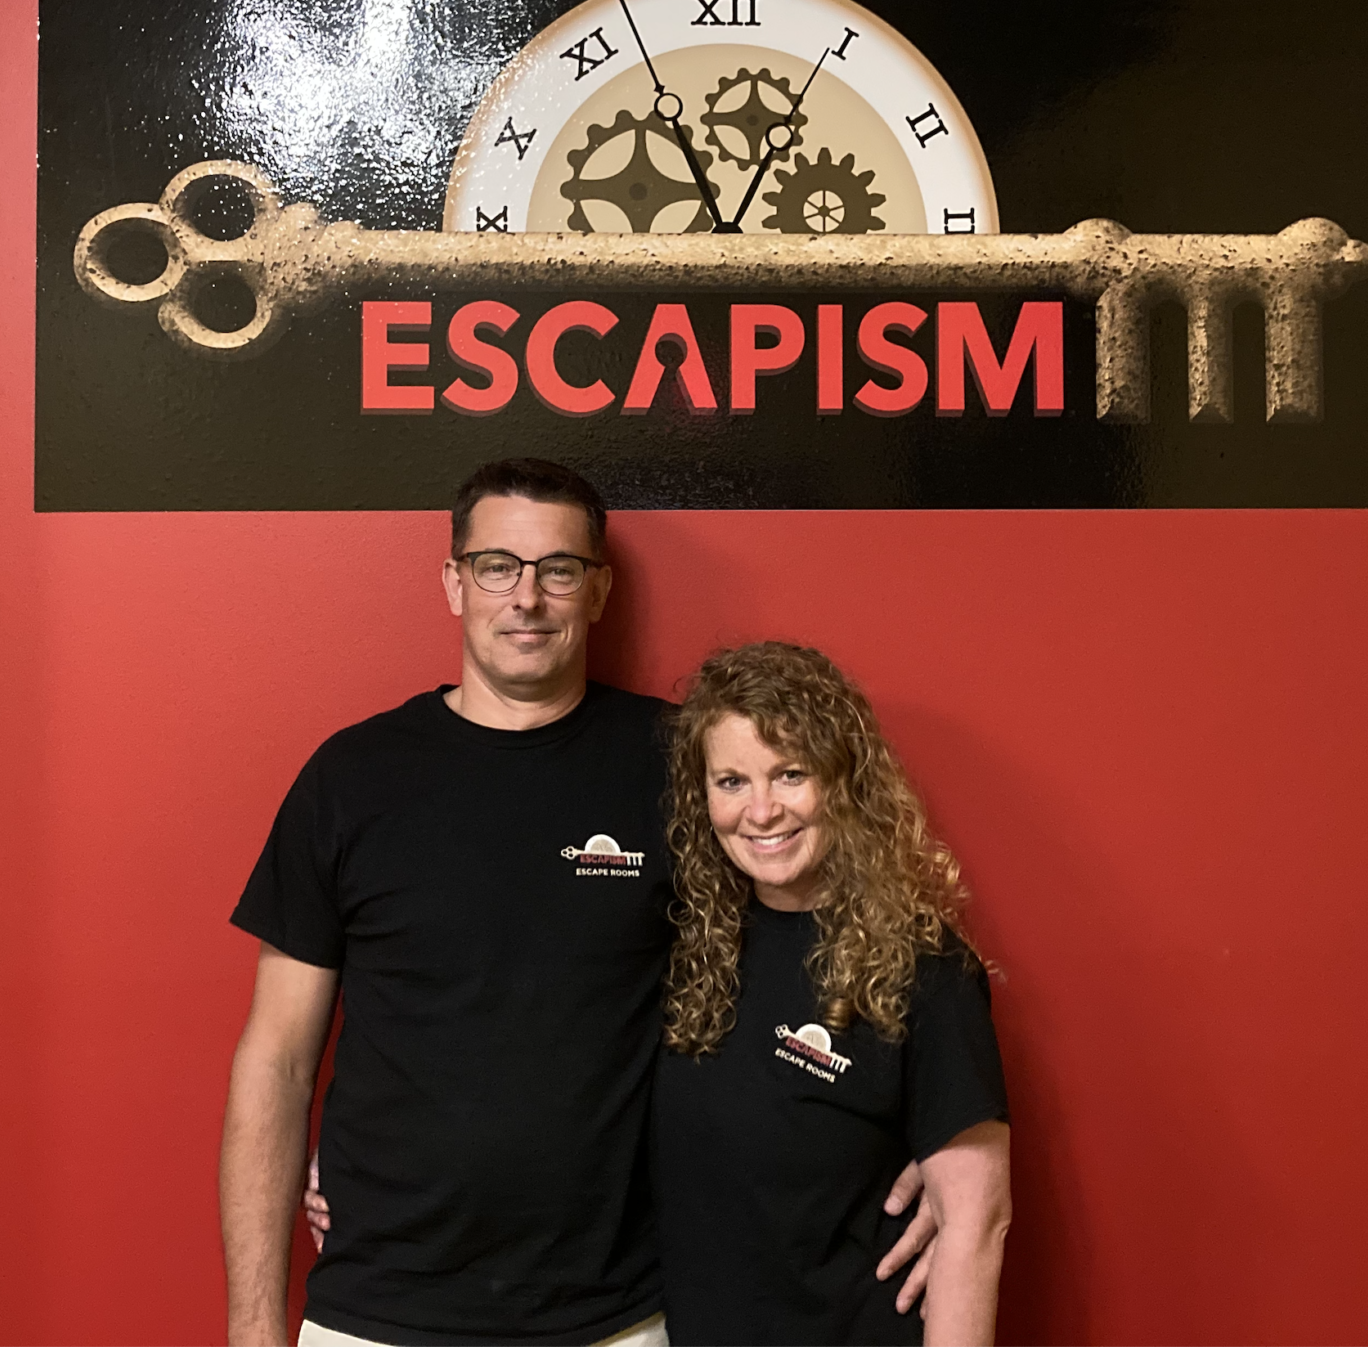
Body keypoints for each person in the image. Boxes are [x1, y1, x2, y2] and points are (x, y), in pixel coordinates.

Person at [223, 459, 936, 1347]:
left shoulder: (676, 764)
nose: (527, 596)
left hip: (617, 1313)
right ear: (453, 580)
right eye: (497, 565)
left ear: (596, 590)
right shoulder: (351, 779)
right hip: (375, 1309)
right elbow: (277, 1062)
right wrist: (253, 1325)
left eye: (558, 569)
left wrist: (942, 1148)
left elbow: (827, 933)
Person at [656, 642, 1012, 1346]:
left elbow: (977, 1223)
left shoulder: (925, 966)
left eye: (790, 774)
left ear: (844, 781)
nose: (760, 810)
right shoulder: (693, 945)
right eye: (731, 781)